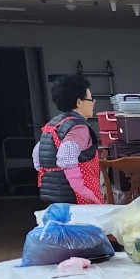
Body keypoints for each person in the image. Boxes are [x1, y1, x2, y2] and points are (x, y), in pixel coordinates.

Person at [34, 74, 103, 205]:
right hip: (77, 200)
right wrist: (82, 190)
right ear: (79, 102)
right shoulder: (79, 128)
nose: (93, 104)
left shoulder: (51, 125)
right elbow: (66, 155)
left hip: (52, 197)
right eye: (91, 99)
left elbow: (38, 158)